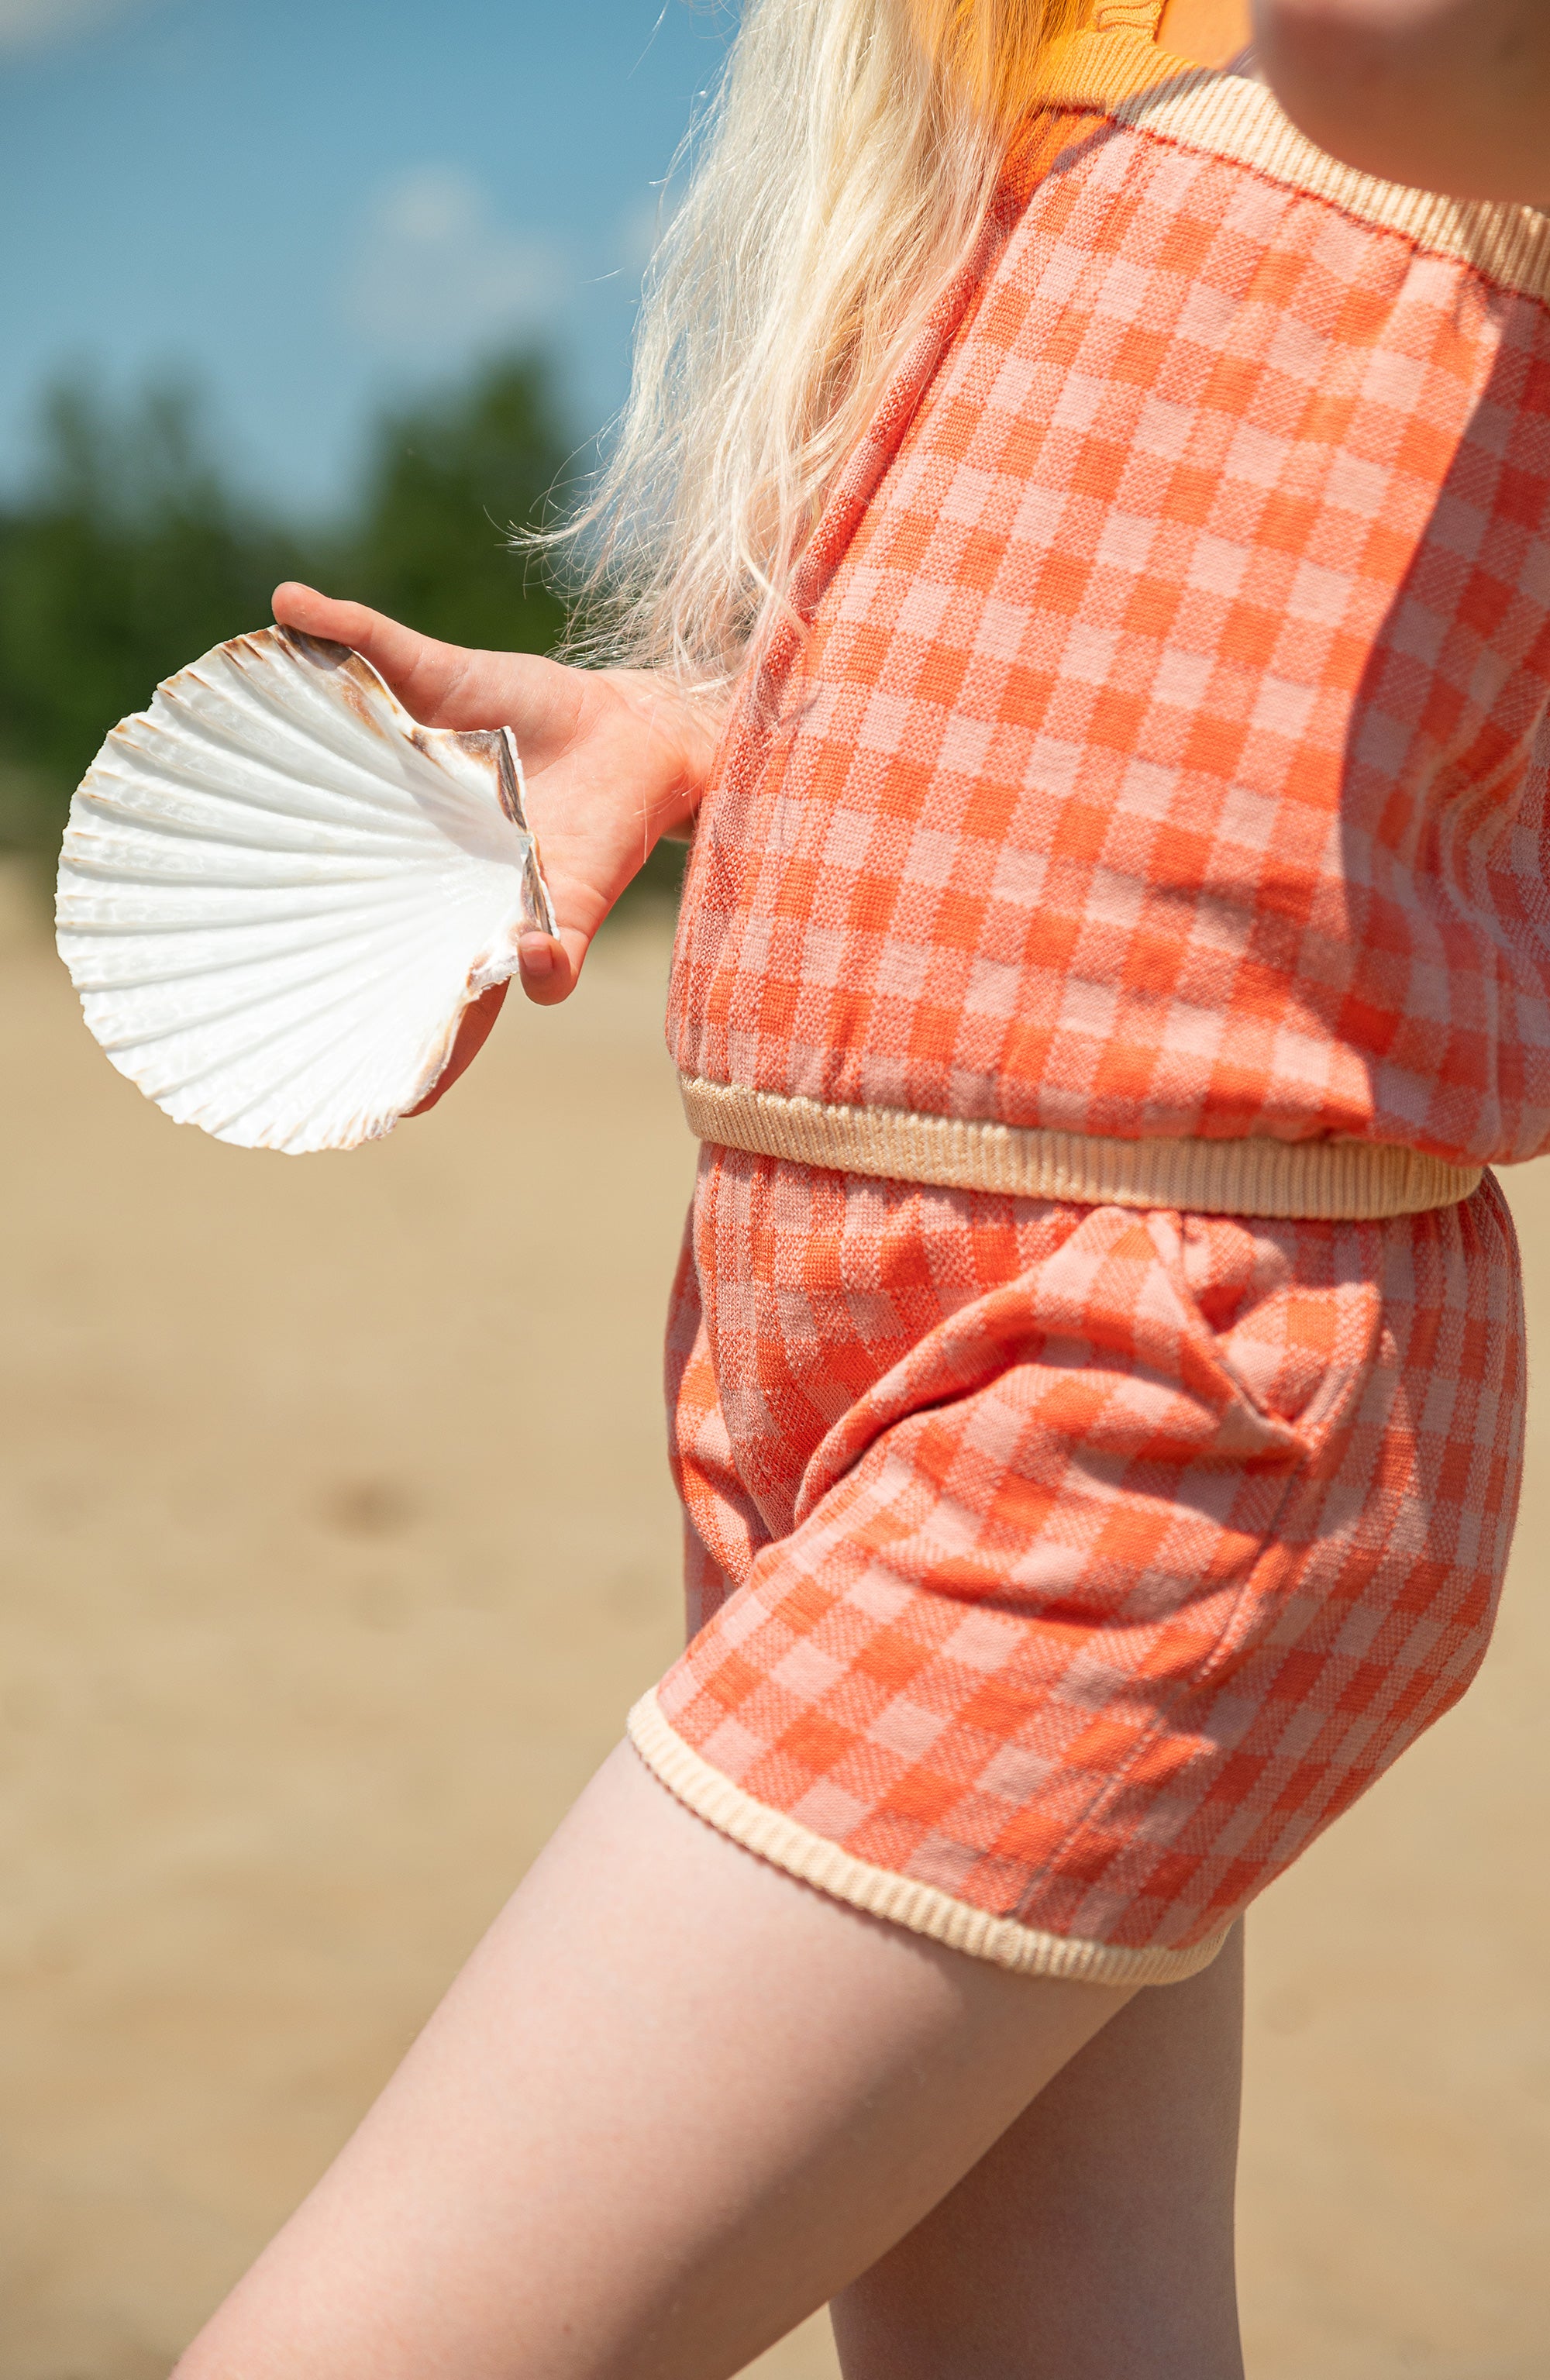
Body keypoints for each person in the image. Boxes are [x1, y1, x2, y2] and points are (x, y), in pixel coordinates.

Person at [175, 2, 1550, 2372]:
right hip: (799, 1323)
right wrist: (713, 715)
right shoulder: (1068, 65)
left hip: (1168, 1355)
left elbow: (1390, 43)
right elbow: (1153, 625)